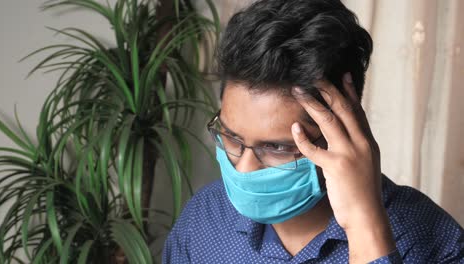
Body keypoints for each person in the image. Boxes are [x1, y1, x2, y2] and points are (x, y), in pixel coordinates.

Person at [163, 0, 464, 263]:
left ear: (344, 130)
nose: (243, 169)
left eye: (277, 148)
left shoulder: (435, 240)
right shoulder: (203, 219)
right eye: (232, 137)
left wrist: (365, 226)